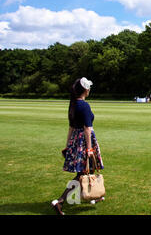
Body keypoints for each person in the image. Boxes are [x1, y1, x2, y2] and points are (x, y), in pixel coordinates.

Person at [51, 77, 104, 215]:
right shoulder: (84, 105)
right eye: (89, 88)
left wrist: (68, 145)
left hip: (75, 140)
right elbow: (87, 128)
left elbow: (70, 128)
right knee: (82, 173)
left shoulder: (73, 104)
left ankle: (94, 195)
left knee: (89, 169)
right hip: (84, 141)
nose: (90, 89)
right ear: (86, 89)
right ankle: (60, 201)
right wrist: (89, 148)